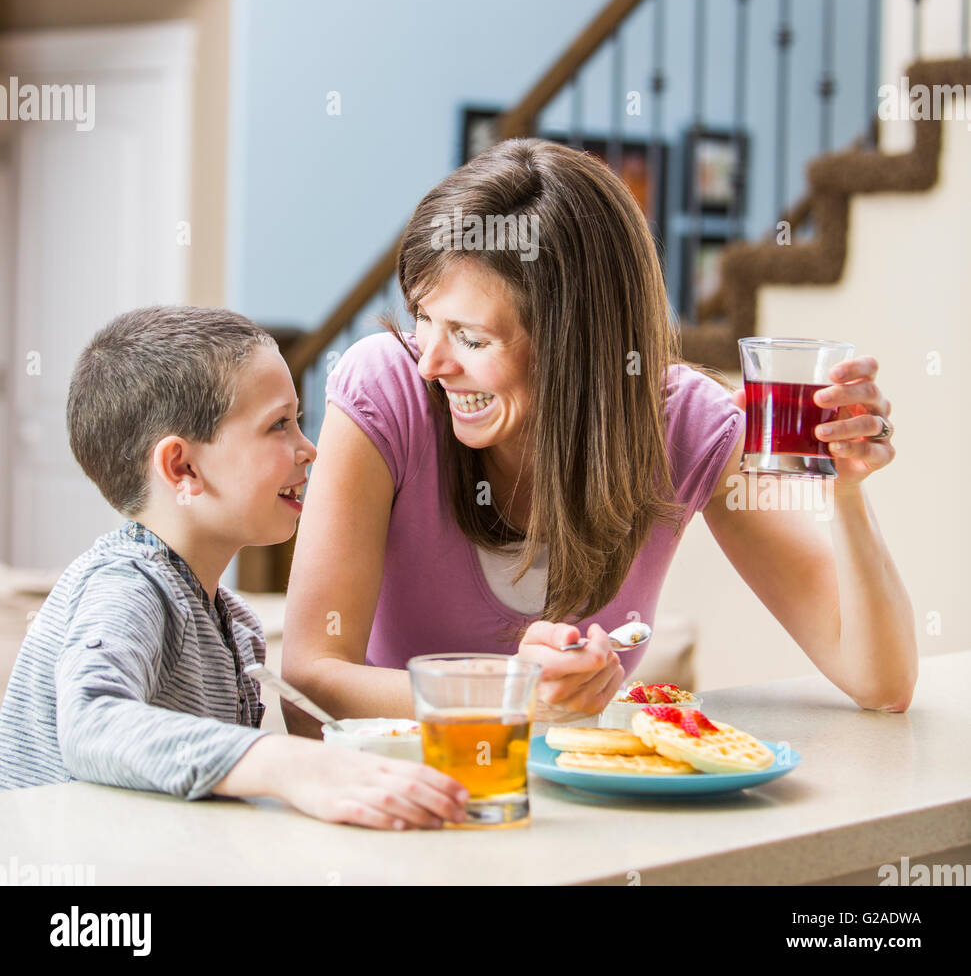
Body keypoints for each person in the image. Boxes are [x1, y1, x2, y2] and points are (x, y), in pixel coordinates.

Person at [281, 139, 917, 733]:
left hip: (584, 828)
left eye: (471, 338)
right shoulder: (387, 392)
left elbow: (880, 682)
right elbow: (310, 681)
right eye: (424, 319)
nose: (431, 363)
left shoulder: (685, 426)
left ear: (576, 348)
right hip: (404, 808)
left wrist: (850, 492)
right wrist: (508, 696)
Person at [0, 306, 468, 831]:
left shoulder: (237, 627)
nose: (308, 449)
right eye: (278, 425)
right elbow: (89, 722)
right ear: (183, 467)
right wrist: (282, 763)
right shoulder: (127, 587)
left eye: (300, 422)